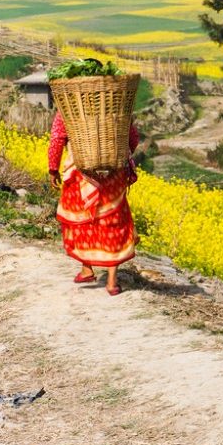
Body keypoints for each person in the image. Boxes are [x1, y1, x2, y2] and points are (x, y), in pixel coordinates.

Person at [47, 78, 139, 296]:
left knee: (81, 220)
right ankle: (112, 282)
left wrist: (53, 168)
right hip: (114, 174)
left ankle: (87, 268)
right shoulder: (115, 106)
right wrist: (120, 157)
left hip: (81, 174)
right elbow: (133, 138)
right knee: (113, 222)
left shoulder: (69, 108)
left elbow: (57, 139)